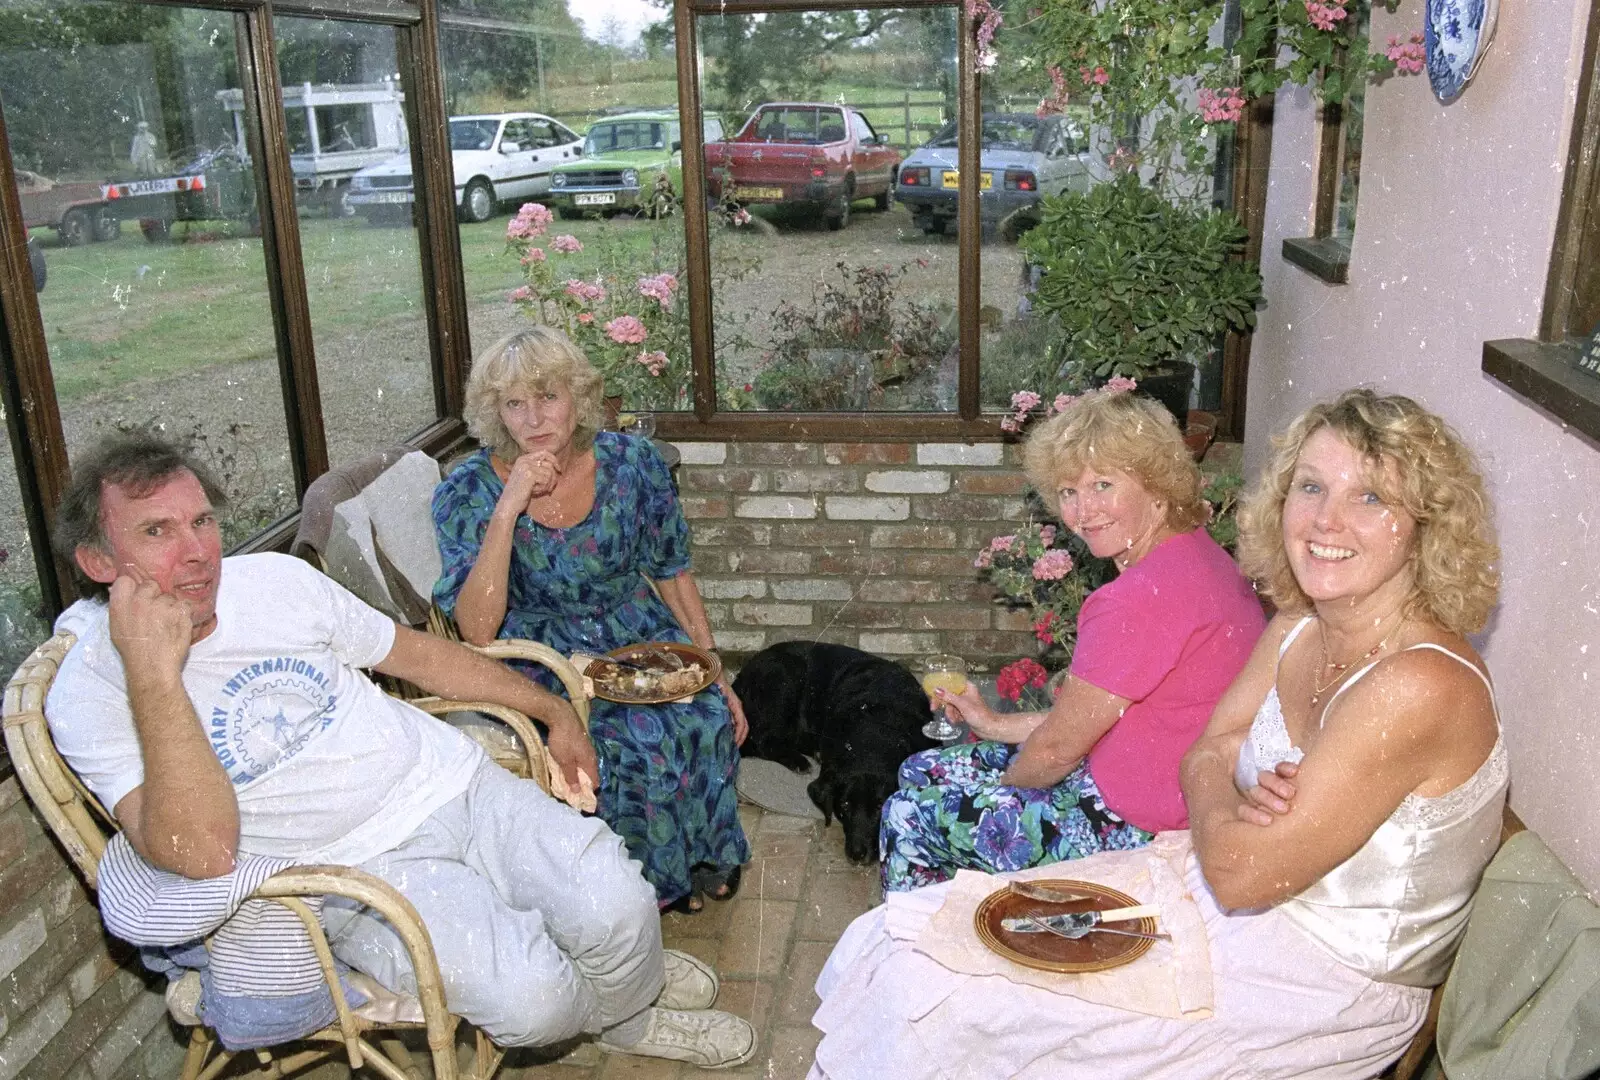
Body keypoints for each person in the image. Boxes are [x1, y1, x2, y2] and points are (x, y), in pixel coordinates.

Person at [809, 389, 1507, 1080]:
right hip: (1210, 891)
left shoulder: (1417, 685)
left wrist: (1217, 784)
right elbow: (1205, 752)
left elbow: (1238, 864)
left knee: (970, 1006)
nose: (1327, 520)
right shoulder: (1299, 625)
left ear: (1427, 523)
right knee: (915, 956)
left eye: (1371, 499)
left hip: (1314, 979)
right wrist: (1225, 789)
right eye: (1312, 487)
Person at [44, 431, 756, 1069]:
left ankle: (626, 999)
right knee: (538, 1004)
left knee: (625, 906)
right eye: (157, 531)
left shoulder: (275, 584)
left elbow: (422, 658)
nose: (198, 551)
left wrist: (549, 712)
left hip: (455, 783)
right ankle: (621, 1002)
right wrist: (152, 673)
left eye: (202, 521)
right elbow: (201, 854)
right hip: (357, 873)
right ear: (98, 560)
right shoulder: (92, 691)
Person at [879, 389, 1264, 891]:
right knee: (921, 768)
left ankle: (928, 951)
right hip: (1164, 788)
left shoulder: (1138, 598)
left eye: (1103, 484)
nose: (1084, 512)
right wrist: (991, 722)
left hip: (1134, 822)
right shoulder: (1197, 556)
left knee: (908, 813)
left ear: (1157, 485)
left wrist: (1001, 794)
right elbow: (1095, 717)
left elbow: (1058, 750)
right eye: (1068, 493)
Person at [432, 327, 749, 913]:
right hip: (544, 653)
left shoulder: (632, 463)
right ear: (495, 413)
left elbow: (673, 572)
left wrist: (715, 669)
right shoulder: (469, 491)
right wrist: (511, 504)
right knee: (628, 742)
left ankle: (696, 856)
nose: (533, 419)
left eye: (547, 396)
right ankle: (637, 890)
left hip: (638, 631)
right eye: (514, 403)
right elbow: (476, 628)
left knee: (704, 713)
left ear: (576, 396)